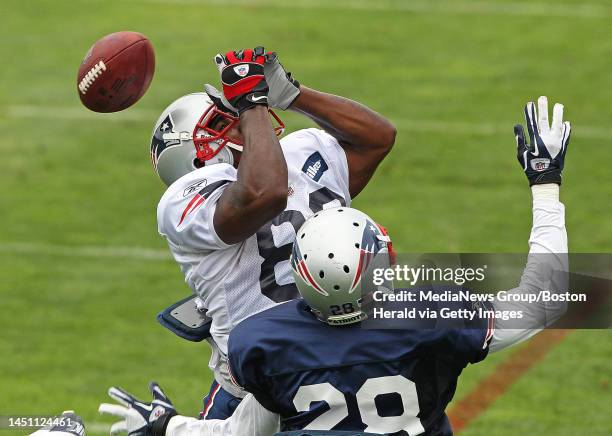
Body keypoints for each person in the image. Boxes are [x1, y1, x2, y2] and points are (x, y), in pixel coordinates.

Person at [100, 97, 569, 435]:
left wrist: (166, 427)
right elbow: (545, 299)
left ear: (301, 277)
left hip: (277, 378)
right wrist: (545, 184)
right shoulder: (428, 314)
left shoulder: (264, 347)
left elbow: (239, 432)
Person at [150, 46, 396, 417]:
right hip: (259, 389)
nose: (239, 119)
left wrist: (293, 95)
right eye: (220, 122)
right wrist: (251, 103)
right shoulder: (185, 203)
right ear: (195, 155)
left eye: (234, 111)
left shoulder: (298, 151)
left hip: (350, 358)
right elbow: (266, 194)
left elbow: (378, 137)